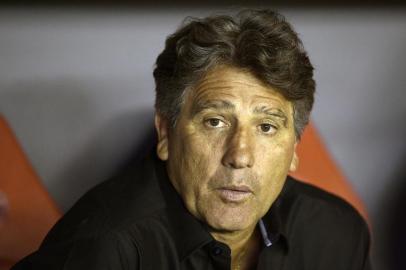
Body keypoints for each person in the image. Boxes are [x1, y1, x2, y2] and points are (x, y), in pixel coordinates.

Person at [12, 9, 371, 270]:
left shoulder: (336, 234)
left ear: (295, 148)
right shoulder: (106, 248)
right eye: (215, 121)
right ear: (165, 134)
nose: (240, 155)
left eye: (266, 127)